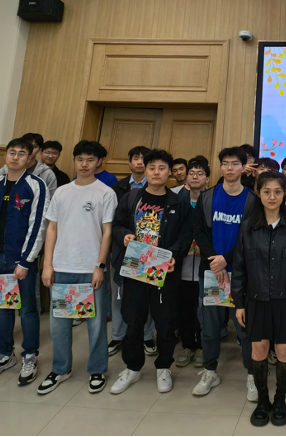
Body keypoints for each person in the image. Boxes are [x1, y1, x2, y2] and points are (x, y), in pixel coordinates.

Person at [109, 149, 195, 395]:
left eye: (162, 168)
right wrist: (125, 235)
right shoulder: (131, 198)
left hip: (164, 271)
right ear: (145, 170)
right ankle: (132, 367)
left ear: (169, 173)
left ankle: (163, 367)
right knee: (133, 320)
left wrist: (173, 256)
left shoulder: (180, 203)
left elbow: (186, 235)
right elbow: (117, 225)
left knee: (165, 323)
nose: (157, 172)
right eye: (152, 167)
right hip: (135, 269)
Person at [233, 171, 286, 427]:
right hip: (255, 300)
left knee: (283, 351)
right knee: (258, 350)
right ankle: (262, 400)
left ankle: (280, 400)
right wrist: (239, 304)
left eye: (277, 192)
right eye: (266, 191)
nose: (272, 196)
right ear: (258, 193)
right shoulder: (248, 226)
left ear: (285, 193)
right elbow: (239, 268)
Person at [37, 140, 116, 395]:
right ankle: (60, 368)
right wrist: (47, 265)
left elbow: (107, 233)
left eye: (90, 160)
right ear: (73, 160)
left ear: (99, 162)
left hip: (90, 267)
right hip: (61, 266)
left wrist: (100, 266)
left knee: (95, 322)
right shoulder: (62, 192)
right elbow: (52, 228)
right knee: (59, 322)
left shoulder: (105, 192)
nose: (84, 164)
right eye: (80, 159)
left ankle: (97, 369)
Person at [0, 138, 47, 386]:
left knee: (27, 310)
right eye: (11, 152)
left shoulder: (36, 185)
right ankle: (4, 355)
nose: (15, 157)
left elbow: (38, 225)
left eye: (21, 153)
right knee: (1, 309)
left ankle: (30, 355)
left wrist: (26, 261)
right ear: (5, 155)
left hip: (21, 261)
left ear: (29, 158)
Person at [192, 147, 258, 399]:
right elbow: (199, 231)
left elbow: (251, 237)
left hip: (241, 274)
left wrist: (226, 259)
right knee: (209, 328)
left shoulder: (252, 200)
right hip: (212, 273)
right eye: (225, 163)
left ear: (243, 168)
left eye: (235, 163)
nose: (230, 168)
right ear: (220, 167)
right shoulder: (207, 197)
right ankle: (210, 371)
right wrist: (214, 260)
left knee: (244, 328)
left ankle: (252, 374)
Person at [108, 144, 156, 358]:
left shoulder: (158, 188)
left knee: (146, 297)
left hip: (148, 253)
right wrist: (124, 235)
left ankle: (147, 336)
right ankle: (117, 336)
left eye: (143, 159)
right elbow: (114, 222)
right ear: (129, 163)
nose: (139, 162)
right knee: (119, 296)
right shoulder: (118, 188)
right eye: (135, 158)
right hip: (122, 250)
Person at [174, 158, 210, 368]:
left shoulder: (212, 200)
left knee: (204, 309)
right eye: (192, 173)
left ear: (207, 178)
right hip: (182, 263)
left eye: (200, 173)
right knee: (185, 307)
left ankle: (202, 346)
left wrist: (204, 248)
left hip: (205, 264)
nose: (195, 177)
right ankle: (188, 345)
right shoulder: (178, 199)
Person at [0, 133, 57, 199]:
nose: (30, 149)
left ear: (40, 150)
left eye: (34, 147)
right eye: (26, 145)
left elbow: (50, 199)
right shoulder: (4, 170)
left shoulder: (47, 173)